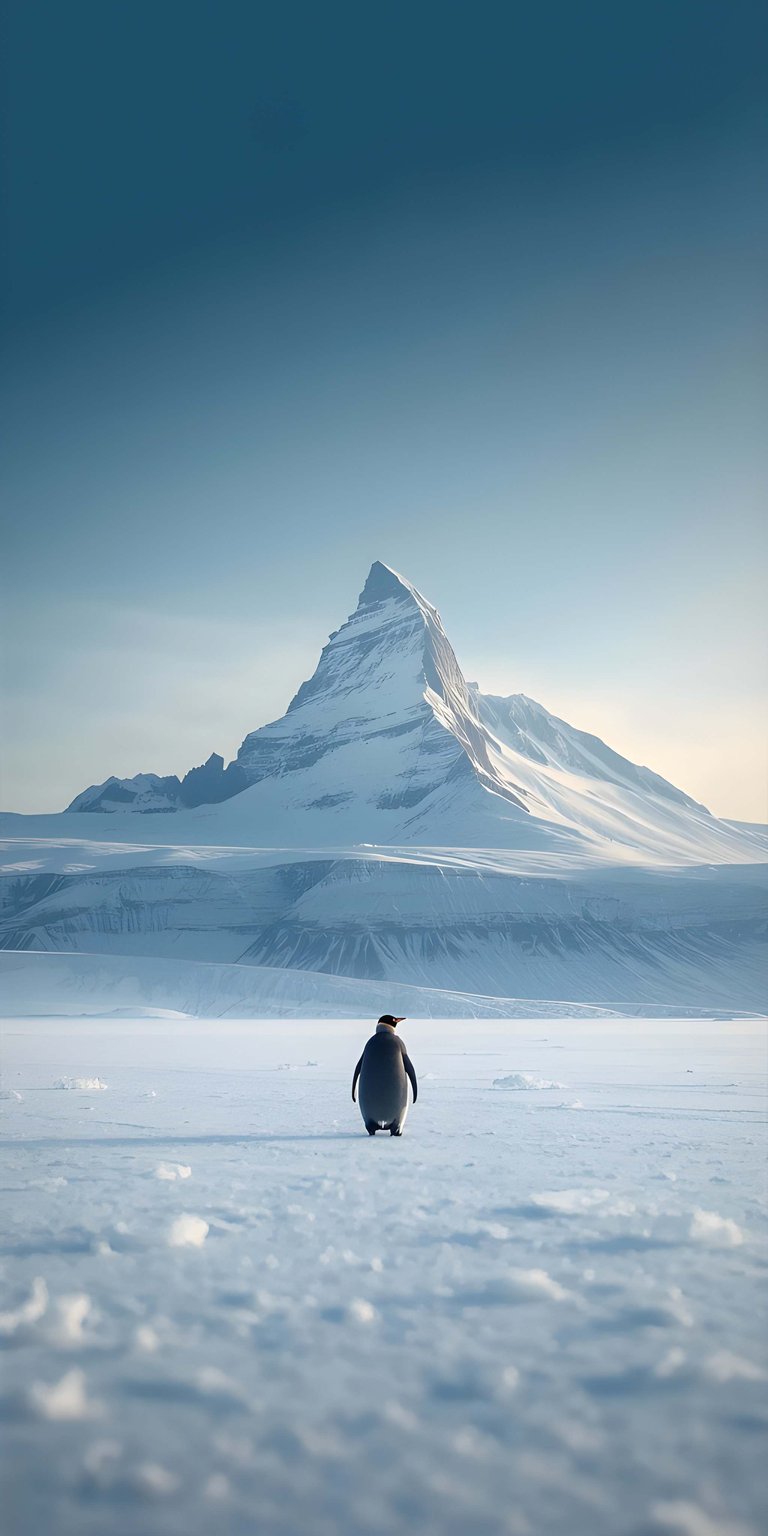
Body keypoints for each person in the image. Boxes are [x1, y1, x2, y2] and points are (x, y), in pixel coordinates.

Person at [351, 1014, 418, 1136]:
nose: (397, 1021)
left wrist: (354, 1089)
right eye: (394, 1020)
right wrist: (415, 1088)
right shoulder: (397, 1043)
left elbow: (358, 1068)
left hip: (369, 1102)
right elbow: (409, 1068)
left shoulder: (370, 1043)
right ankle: (397, 1126)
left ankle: (370, 1124)